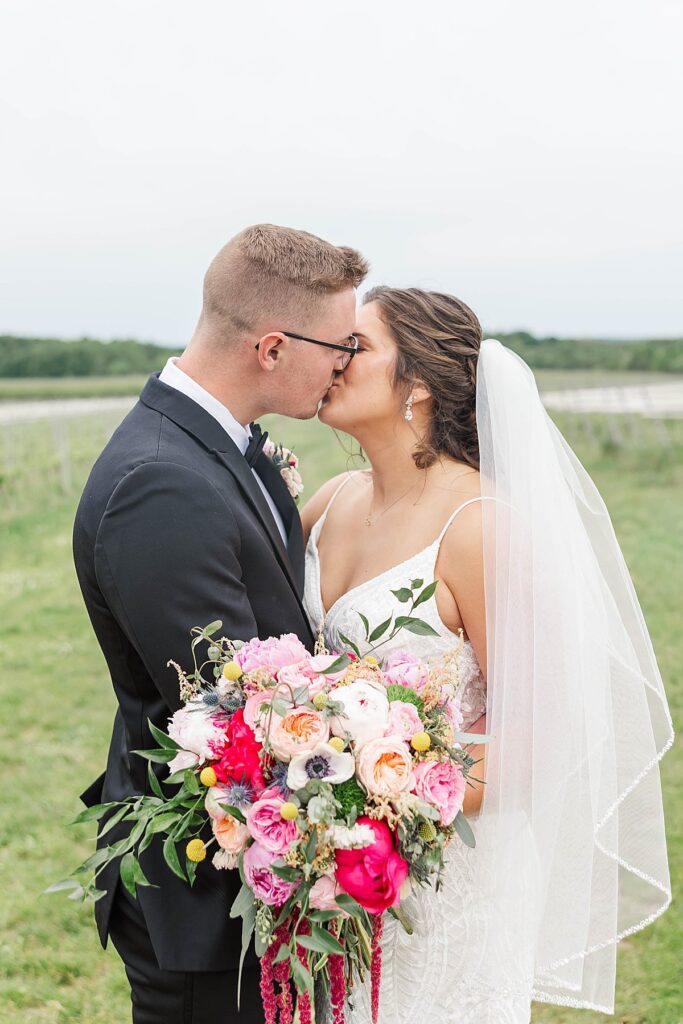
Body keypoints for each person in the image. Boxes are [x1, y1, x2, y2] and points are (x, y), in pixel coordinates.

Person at [301, 286, 673, 1022]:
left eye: (356, 347)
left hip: (443, 876)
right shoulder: (328, 499)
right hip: (327, 874)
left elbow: (536, 743)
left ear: (418, 386)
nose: (333, 362)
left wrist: (368, 798)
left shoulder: (481, 527)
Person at [72, 223, 368, 1024]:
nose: (347, 362)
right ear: (271, 347)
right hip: (207, 907)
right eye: (340, 344)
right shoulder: (162, 483)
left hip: (245, 890)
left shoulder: (220, 447)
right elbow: (233, 709)